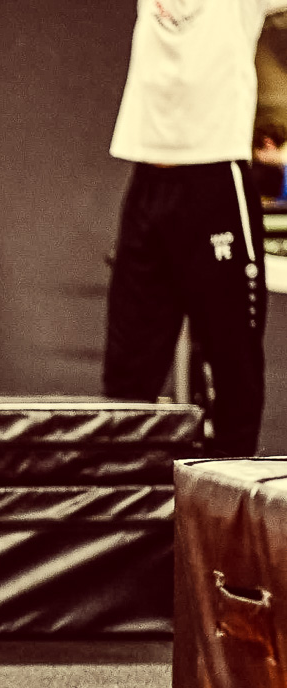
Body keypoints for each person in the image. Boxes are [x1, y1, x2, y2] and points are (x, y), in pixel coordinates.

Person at [102, 0, 287, 457]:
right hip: (149, 177)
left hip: (214, 178)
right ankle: (122, 509)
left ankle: (228, 510)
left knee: (231, 359)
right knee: (128, 371)